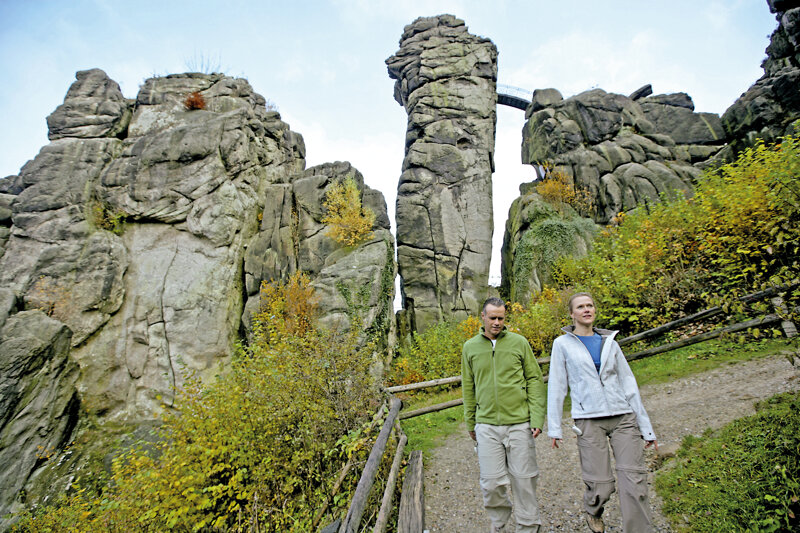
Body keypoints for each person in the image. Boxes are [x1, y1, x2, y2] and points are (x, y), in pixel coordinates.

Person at [547, 292, 658, 533]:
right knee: (601, 485)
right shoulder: (562, 344)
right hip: (589, 420)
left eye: (590, 305)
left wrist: (646, 428)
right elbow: (557, 386)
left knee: (634, 481)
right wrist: (554, 428)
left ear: (594, 310)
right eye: (580, 306)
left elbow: (628, 383)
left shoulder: (611, 342)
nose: (586, 309)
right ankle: (593, 509)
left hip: (623, 417)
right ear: (571, 314)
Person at [462, 297, 546, 533]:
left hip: (519, 423)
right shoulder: (470, 347)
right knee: (491, 483)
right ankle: (499, 524)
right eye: (493, 318)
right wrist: (471, 422)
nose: (497, 322)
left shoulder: (519, 343)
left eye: (501, 318)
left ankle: (528, 527)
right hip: (486, 425)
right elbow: (469, 388)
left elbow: (534, 380)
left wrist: (536, 417)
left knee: (525, 480)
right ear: (482, 317)